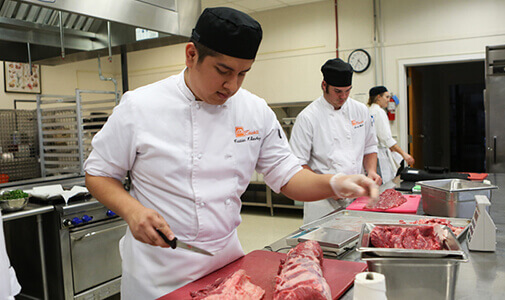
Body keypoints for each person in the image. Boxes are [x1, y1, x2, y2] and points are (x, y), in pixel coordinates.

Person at [83, 7, 378, 299]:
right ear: (191, 55)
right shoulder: (140, 106)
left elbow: (287, 176)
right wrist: (132, 211)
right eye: (223, 71)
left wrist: (334, 182)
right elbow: (98, 173)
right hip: (160, 273)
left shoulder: (254, 110)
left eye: (242, 74)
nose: (232, 85)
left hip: (228, 268)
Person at [289, 58, 381, 224]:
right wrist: (331, 187)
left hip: (357, 197)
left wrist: (372, 171)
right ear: (324, 85)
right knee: (323, 245)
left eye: (348, 91)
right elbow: (298, 164)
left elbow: (370, 146)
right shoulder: (308, 117)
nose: (343, 96)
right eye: (338, 91)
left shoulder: (360, 110)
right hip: (322, 201)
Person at [367, 86, 415, 183]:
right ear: (378, 97)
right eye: (387, 97)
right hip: (379, 155)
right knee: (383, 184)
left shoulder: (368, 111)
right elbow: (386, 139)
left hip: (370, 156)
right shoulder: (379, 112)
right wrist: (404, 154)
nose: (389, 100)